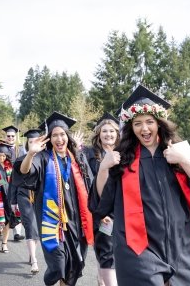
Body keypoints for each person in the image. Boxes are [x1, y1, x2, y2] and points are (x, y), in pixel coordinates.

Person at [95, 85, 190, 286]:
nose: (144, 128)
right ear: (131, 127)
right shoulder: (123, 159)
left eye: (149, 122)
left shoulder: (180, 151)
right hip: (136, 247)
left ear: (159, 123)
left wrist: (183, 160)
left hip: (180, 245)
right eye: (137, 123)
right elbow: (103, 199)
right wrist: (103, 168)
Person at [14, 112, 94, 286]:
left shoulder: (78, 159)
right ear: (49, 138)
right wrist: (30, 155)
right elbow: (25, 172)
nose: (59, 139)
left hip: (76, 222)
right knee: (59, 265)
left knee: (74, 266)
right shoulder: (43, 158)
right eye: (55, 135)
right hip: (52, 223)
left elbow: (90, 186)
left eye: (62, 134)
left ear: (68, 136)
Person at [84, 112, 120, 286]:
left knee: (117, 248)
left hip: (119, 206)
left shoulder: (123, 153)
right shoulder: (90, 154)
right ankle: (103, 279)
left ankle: (104, 278)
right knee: (105, 246)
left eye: (112, 131)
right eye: (105, 131)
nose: (108, 135)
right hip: (100, 208)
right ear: (99, 134)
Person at [11, 129, 42, 273]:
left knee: (37, 229)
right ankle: (34, 260)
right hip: (24, 195)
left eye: (36, 142)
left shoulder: (45, 159)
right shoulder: (19, 160)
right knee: (30, 225)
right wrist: (13, 201)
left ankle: (32, 253)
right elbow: (13, 183)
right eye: (30, 142)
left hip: (40, 197)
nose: (33, 144)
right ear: (27, 144)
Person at [3, 125, 27, 241]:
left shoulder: (21, 149)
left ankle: (17, 233)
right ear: (5, 137)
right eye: (8, 136)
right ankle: (3, 230)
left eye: (13, 136)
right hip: (4, 181)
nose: (11, 138)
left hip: (17, 181)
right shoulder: (1, 148)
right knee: (6, 207)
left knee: (17, 206)